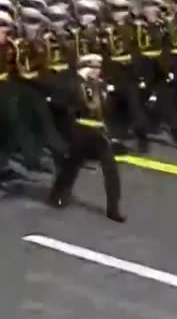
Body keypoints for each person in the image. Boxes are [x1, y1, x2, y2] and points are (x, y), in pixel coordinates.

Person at [48, 54, 126, 223]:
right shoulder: (71, 83)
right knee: (72, 165)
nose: (98, 71)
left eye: (98, 68)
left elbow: (107, 111)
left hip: (98, 132)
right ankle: (57, 194)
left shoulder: (101, 85)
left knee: (110, 168)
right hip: (79, 129)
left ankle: (113, 208)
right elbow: (57, 104)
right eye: (94, 68)